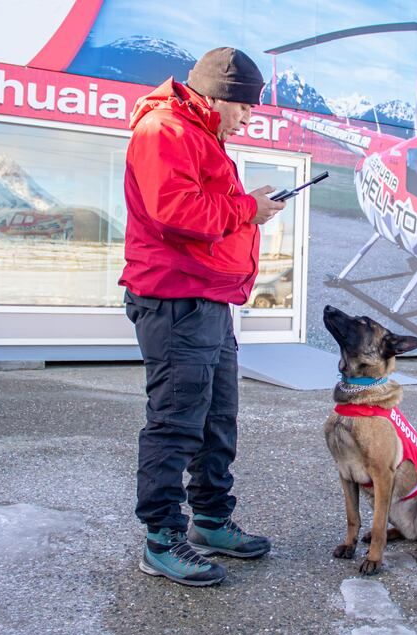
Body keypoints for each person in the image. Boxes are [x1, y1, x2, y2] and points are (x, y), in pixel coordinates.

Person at [119, 47, 286, 587]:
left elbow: (206, 208)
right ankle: (161, 538)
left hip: (209, 299)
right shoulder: (165, 130)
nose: (248, 118)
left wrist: (248, 208)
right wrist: (249, 208)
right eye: (245, 107)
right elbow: (176, 212)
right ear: (219, 96)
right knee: (176, 421)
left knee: (217, 419)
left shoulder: (201, 135)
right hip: (176, 299)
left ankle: (211, 520)